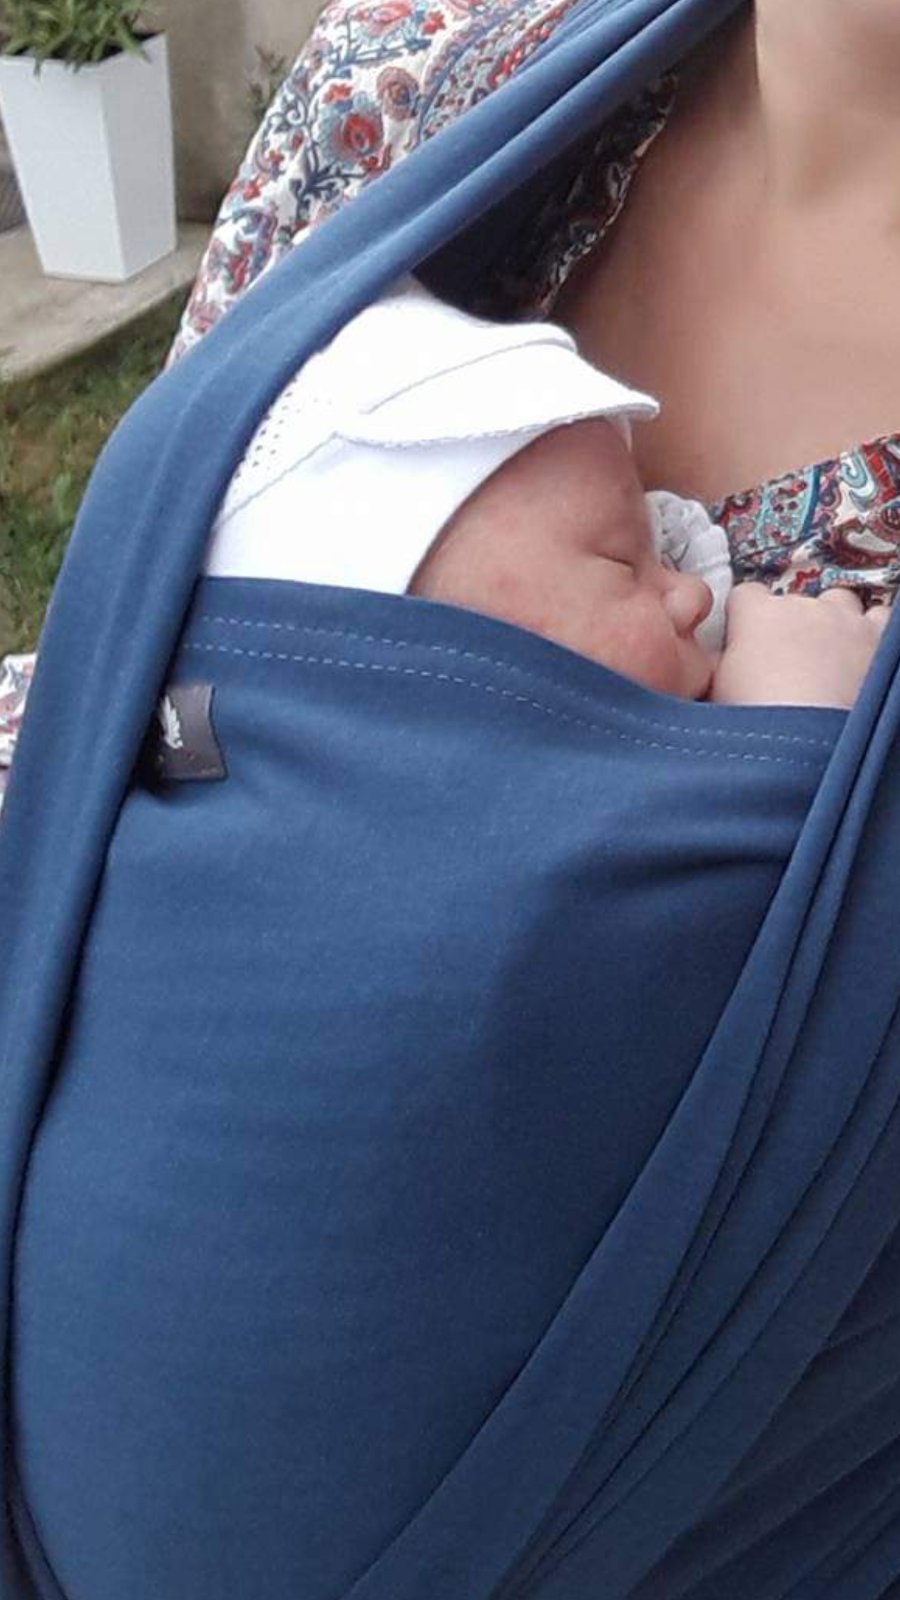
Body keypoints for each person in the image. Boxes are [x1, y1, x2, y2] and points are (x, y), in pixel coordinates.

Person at [5, 4, 900, 1599]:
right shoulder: (398, 78)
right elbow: (154, 691)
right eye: (632, 554)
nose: (700, 597)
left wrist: (772, 777)